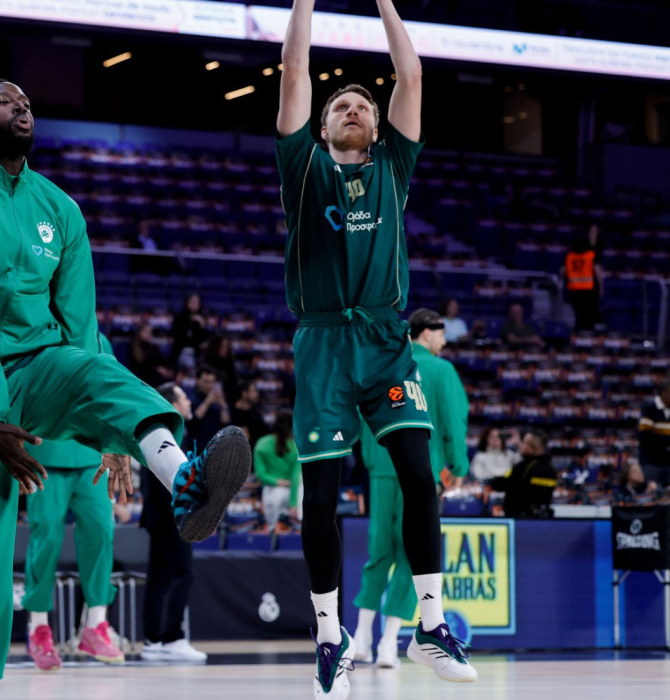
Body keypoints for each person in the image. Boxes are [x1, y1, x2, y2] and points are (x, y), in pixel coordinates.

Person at [0, 78, 248, 696]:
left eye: (26, 102)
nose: (21, 107)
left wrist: (106, 430)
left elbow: (80, 329)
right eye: (4, 102)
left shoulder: (60, 210)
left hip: (40, 368)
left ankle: (186, 484)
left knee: (102, 369)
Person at [276, 1, 474, 693]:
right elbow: (294, 68)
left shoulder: (394, 165)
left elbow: (411, 74)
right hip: (324, 342)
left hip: (387, 340)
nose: (354, 109)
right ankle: (331, 636)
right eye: (341, 106)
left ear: (379, 124)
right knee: (322, 496)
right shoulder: (301, 165)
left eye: (363, 104)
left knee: (420, 475)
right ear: (322, 126)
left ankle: (430, 626)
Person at [351, 308, 469, 667]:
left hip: (381, 466)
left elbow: (363, 413)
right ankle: (389, 643)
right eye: (441, 334)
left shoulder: (385, 362)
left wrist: (371, 458)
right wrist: (458, 466)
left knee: (378, 551)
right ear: (426, 333)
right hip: (421, 470)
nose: (445, 341)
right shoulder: (441, 370)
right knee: (411, 553)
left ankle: (361, 637)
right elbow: (453, 421)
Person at [23, 338, 128, 670]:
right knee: (46, 536)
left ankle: (96, 623)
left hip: (92, 455)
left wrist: (118, 444)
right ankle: (38, 627)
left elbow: (113, 395)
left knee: (101, 530)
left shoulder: (98, 340)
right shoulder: (37, 335)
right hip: (45, 452)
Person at [139, 382, 207, 663]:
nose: (189, 401)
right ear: (173, 404)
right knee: (183, 573)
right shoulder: (168, 433)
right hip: (171, 515)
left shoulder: (161, 430)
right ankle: (172, 637)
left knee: (160, 575)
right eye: (184, 397)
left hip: (158, 515)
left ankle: (153, 640)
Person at [487, 430, 557, 518]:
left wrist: (492, 481)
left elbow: (503, 484)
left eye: (523, 442)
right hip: (543, 518)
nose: (520, 445)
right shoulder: (551, 468)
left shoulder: (524, 467)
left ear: (532, 447)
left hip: (521, 518)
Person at [254, 412, 301, 530]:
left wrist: (277, 482)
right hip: (294, 493)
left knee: (272, 530)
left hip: (271, 494)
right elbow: (295, 478)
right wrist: (293, 505)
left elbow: (261, 475)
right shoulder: (296, 447)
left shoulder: (261, 443)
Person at [562, 229, 604, 332]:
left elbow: (562, 271)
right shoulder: (590, 254)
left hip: (574, 291)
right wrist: (601, 287)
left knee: (579, 316)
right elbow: (597, 271)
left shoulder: (570, 256)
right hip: (589, 291)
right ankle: (587, 337)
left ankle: (578, 335)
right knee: (589, 317)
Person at [637, 379, 670, 488]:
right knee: (651, 492)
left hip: (667, 462)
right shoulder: (649, 408)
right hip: (651, 462)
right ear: (664, 393)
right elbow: (644, 437)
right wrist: (665, 444)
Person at [188, 365, 230, 450]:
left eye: (212, 382)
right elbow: (192, 423)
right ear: (197, 380)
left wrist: (223, 405)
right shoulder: (190, 398)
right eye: (206, 382)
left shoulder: (217, 399)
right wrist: (207, 402)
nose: (209, 385)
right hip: (196, 446)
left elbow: (225, 424)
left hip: (215, 446)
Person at [169, 293, 209, 368]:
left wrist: (202, 326)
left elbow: (203, 340)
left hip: (196, 352)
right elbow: (177, 336)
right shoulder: (179, 317)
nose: (194, 305)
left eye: (197, 303)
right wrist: (189, 322)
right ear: (187, 302)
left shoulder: (202, 319)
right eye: (192, 302)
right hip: (180, 350)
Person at [126, 323, 172, 388]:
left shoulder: (154, 347)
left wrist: (167, 369)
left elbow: (163, 361)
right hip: (142, 378)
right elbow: (139, 368)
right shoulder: (134, 348)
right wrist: (156, 369)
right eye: (147, 332)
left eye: (151, 332)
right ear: (140, 333)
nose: (149, 334)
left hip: (156, 377)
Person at [230, 378, 270, 445]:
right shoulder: (235, 414)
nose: (256, 395)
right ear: (244, 393)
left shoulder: (255, 410)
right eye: (253, 391)